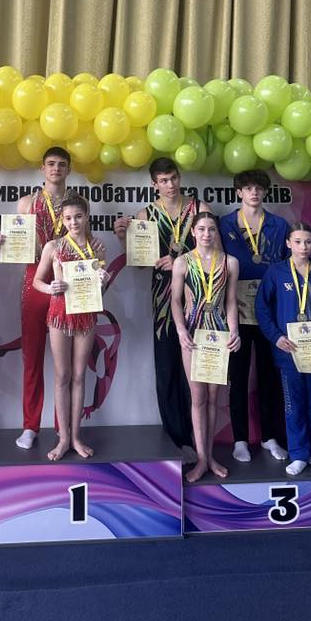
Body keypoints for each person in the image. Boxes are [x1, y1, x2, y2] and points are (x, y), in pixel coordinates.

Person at [114, 158, 212, 450]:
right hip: (164, 298)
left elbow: (215, 253)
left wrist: (181, 261)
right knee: (168, 364)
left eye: (174, 178)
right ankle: (176, 437)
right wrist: (124, 237)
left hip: (199, 296)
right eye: (164, 181)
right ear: (154, 184)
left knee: (197, 366)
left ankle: (199, 437)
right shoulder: (145, 215)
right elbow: (140, 264)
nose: (170, 185)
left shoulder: (200, 208)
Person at [0, 147, 72, 449]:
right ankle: (30, 425)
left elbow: (82, 241)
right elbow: (17, 241)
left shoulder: (77, 203)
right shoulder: (26, 203)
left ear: (69, 170)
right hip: (34, 279)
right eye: (51, 164)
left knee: (65, 364)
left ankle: (64, 426)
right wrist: (0, 241)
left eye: (61, 164)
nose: (56, 169)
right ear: (42, 168)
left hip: (67, 283)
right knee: (32, 357)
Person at [33, 192, 109, 461]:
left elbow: (101, 290)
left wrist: (104, 280)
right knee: (62, 375)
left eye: (78, 216)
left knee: (79, 375)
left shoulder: (97, 248)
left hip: (86, 315)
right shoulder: (53, 247)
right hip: (59, 315)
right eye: (68, 218)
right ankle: (63, 437)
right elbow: (37, 281)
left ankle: (76, 436)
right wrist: (51, 288)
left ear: (86, 217)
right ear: (62, 220)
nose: (73, 222)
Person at [220, 170, 289, 463]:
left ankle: (269, 437)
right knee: (237, 376)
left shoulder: (279, 225)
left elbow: (287, 268)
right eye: (248, 188)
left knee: (269, 376)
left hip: (269, 308)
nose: (254, 193)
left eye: (259, 188)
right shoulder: (224, 224)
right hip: (234, 308)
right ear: (239, 192)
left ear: (265, 192)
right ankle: (239, 440)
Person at [256, 222, 311, 476]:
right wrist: (276, 337)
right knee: (294, 405)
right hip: (288, 351)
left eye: (308, 242)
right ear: (288, 243)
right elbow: (262, 308)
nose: (303, 247)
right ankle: (298, 454)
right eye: (298, 241)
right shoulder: (276, 273)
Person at [171, 211, 240, 481]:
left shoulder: (230, 262)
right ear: (193, 232)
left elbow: (231, 300)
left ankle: (210, 456)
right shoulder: (183, 262)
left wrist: (234, 330)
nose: (207, 234)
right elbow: (175, 300)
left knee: (213, 398)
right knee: (198, 398)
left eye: (211, 229)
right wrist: (180, 330)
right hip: (192, 333)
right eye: (201, 229)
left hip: (218, 334)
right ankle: (201, 459)